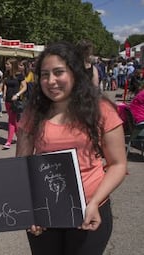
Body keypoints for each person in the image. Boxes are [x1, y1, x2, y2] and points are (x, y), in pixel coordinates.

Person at [17, 41, 127, 255]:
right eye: (45, 74)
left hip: (90, 209)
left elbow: (118, 164)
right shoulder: (33, 112)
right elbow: (21, 164)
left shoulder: (101, 110)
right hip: (45, 212)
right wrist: (28, 209)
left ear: (75, 73)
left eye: (59, 72)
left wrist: (95, 202)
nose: (51, 81)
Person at [2, 58, 27, 149]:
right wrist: (4, 94)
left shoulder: (19, 75)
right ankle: (20, 137)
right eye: (6, 64)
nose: (6, 65)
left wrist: (17, 94)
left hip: (15, 101)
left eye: (8, 64)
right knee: (14, 121)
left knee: (11, 120)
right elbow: (5, 84)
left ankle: (8, 141)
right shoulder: (7, 74)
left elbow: (24, 87)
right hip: (7, 100)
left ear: (12, 65)